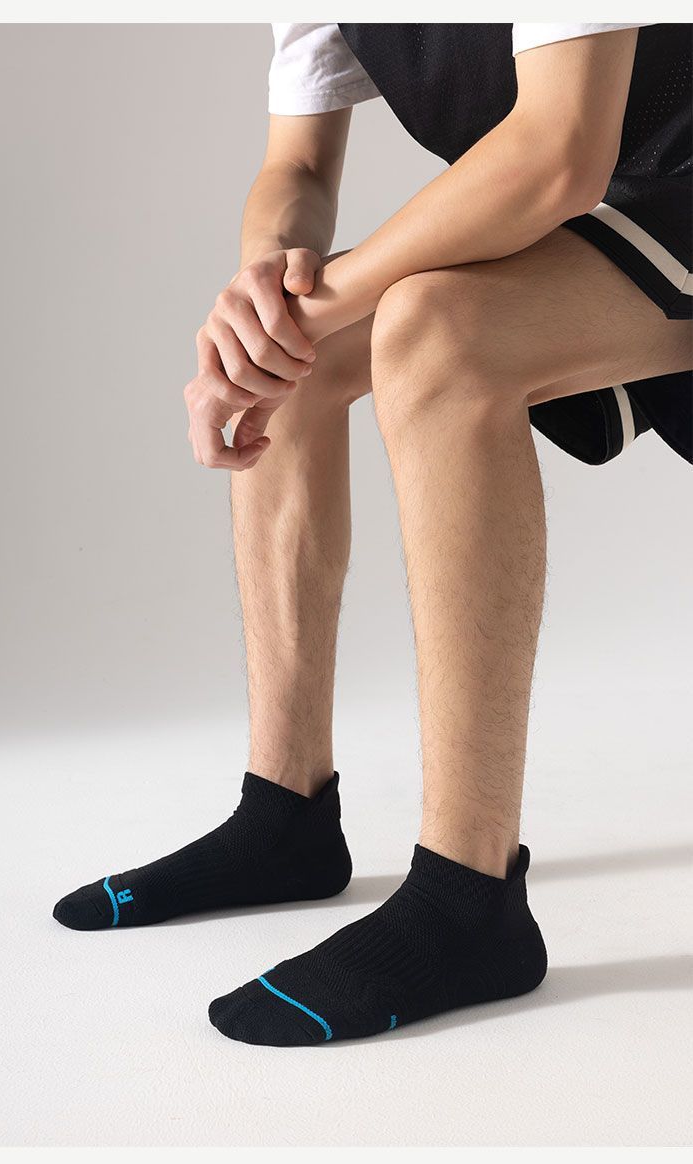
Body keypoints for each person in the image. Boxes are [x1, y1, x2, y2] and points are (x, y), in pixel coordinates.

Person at [53, 23, 692, 1046]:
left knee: (435, 332)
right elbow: (298, 166)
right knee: (298, 351)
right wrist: (267, 299)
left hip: (636, 179)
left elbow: (557, 151)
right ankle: (285, 818)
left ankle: (469, 900)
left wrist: (309, 313)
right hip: (632, 198)